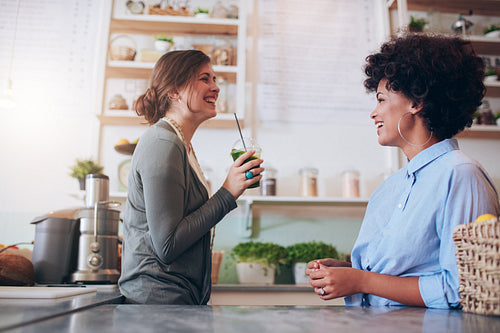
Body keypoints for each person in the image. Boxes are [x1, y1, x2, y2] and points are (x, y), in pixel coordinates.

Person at [306, 33, 500, 309]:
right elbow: (403, 273)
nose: (374, 113)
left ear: (416, 102)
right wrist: (345, 272)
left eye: (382, 99)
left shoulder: (461, 175)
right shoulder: (389, 188)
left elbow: (461, 288)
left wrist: (361, 281)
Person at [118, 50, 264, 304]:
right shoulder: (163, 142)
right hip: (157, 303)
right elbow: (167, 246)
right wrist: (228, 192)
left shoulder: (181, 144)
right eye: (204, 79)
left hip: (174, 298)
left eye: (215, 79)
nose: (215, 88)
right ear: (174, 90)